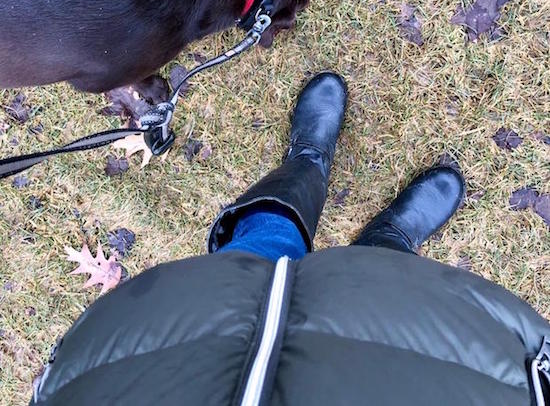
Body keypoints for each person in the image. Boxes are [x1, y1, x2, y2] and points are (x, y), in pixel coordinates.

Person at [32, 73, 550, 406]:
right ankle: (387, 242)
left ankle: (308, 162)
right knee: (386, 298)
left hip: (181, 362)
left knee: (257, 254)